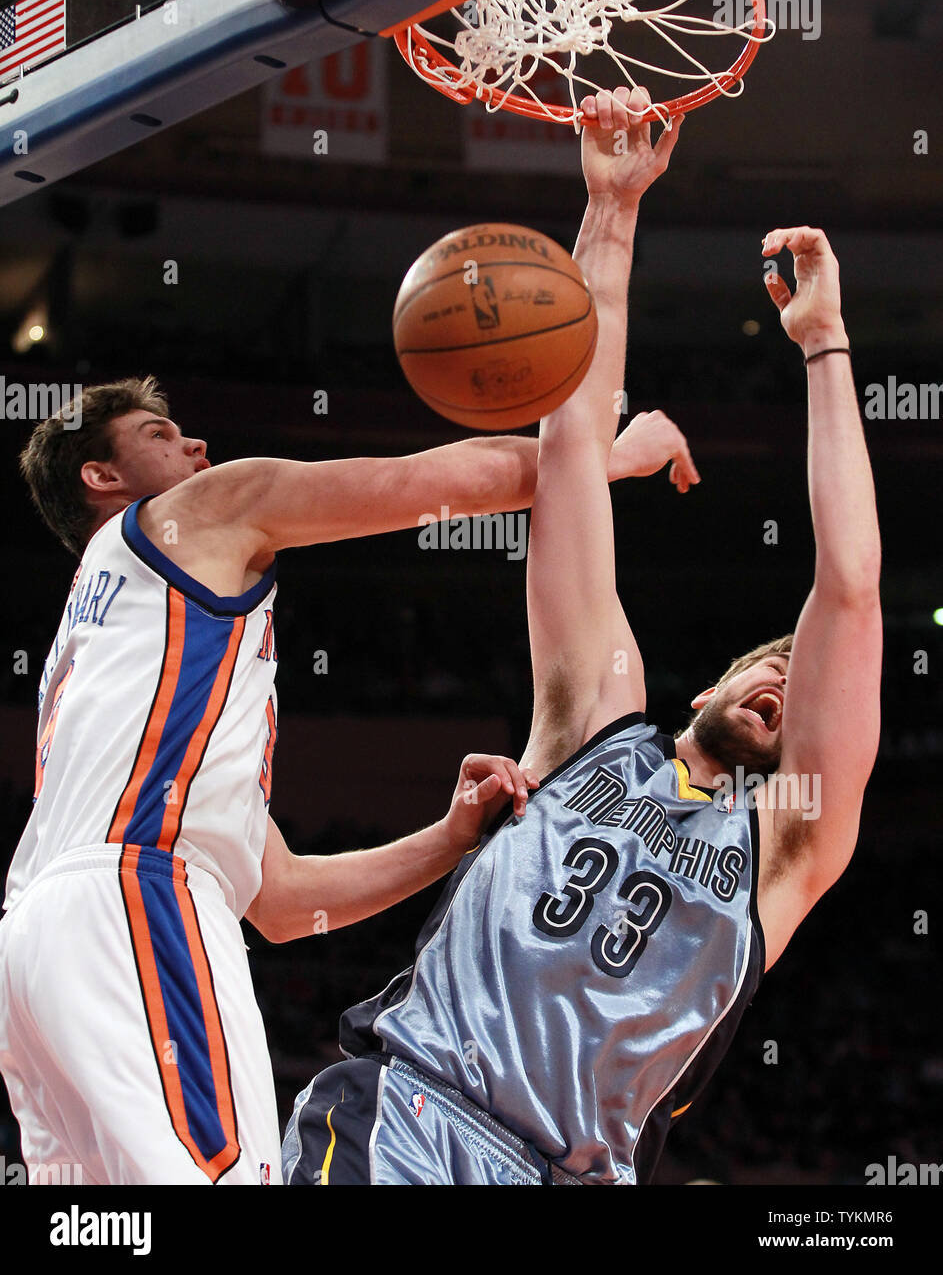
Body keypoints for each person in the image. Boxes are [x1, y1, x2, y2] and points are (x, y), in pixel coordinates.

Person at [282, 87, 882, 1185]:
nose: (790, 684)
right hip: (409, 1113)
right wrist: (609, 214)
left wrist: (827, 346)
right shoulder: (593, 725)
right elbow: (569, 452)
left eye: (805, 684)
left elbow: (848, 588)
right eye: (772, 663)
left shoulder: (789, 840)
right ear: (714, 680)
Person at [0, 371, 668, 1185]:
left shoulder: (115, 638)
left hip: (38, 947)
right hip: (135, 902)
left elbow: (279, 900)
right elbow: (436, 481)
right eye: (158, 436)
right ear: (101, 478)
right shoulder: (202, 510)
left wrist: (450, 837)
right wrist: (612, 459)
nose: (196, 444)